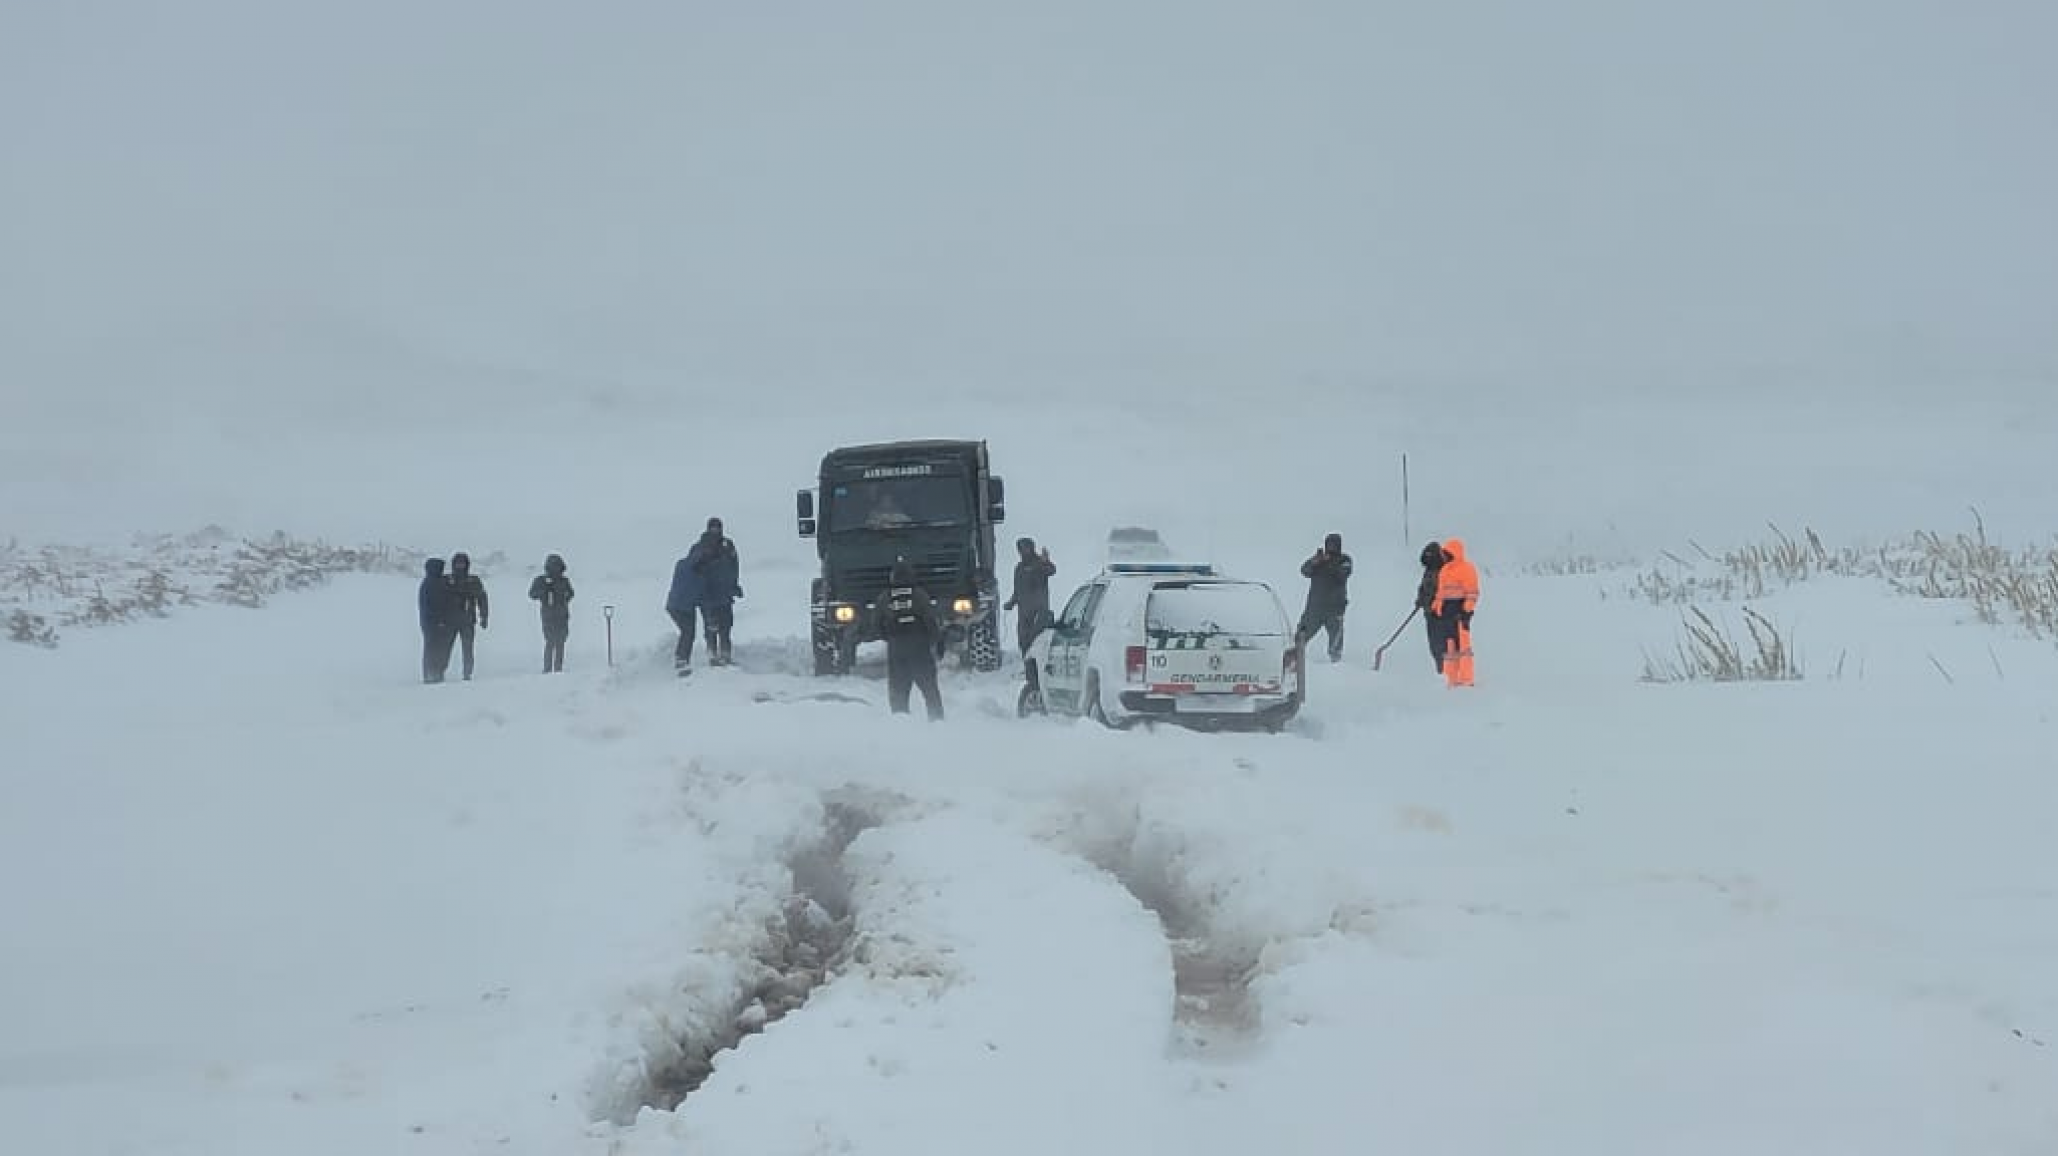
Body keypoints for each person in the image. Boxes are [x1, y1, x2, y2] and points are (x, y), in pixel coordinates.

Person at [873, 558, 944, 720]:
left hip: (897, 651)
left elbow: (876, 624)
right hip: (920, 649)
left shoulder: (885, 597)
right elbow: (931, 621)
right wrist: (935, 641)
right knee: (930, 691)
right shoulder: (919, 595)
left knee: (898, 693)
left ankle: (902, 726)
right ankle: (937, 722)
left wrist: (890, 638)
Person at [690, 517, 743, 667]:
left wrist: (734, 585)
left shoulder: (728, 546)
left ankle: (725, 654)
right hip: (707, 595)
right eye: (713, 528)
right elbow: (692, 569)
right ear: (708, 528)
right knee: (710, 627)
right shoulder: (699, 548)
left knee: (726, 626)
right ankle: (712, 655)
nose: (715, 531)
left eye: (718, 527)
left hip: (724, 594)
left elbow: (734, 567)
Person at [1428, 537, 1481, 687]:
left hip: (1460, 613)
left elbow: (1472, 592)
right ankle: (1451, 678)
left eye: (1448, 553)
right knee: (1449, 649)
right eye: (1444, 553)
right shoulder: (1444, 570)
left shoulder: (1467, 568)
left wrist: (1466, 610)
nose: (1445, 556)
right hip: (1446, 614)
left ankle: (1467, 679)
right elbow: (1441, 593)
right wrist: (1435, 608)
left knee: (1463, 648)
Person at [1297, 533, 1353, 663]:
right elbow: (1304, 571)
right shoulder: (1319, 560)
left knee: (1336, 642)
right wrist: (1315, 561)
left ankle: (1336, 666)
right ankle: (1295, 658)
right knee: (1301, 637)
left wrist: (1328, 563)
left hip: (1335, 609)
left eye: (1334, 545)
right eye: (1329, 544)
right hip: (1315, 607)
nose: (1331, 547)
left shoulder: (1345, 560)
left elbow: (1342, 575)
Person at [1001, 536, 1057, 658]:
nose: (1023, 551)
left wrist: (1046, 561)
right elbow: (1017, 590)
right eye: (1020, 549)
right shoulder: (1019, 568)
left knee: (1038, 638)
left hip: (1039, 610)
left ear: (1031, 548)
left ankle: (1039, 663)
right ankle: (1027, 663)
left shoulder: (1039, 563)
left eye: (1026, 548)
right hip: (1023, 611)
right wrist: (1011, 603)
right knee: (1023, 638)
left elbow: (1052, 571)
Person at [446, 551, 489, 681]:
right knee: (446, 648)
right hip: (449, 621)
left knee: (468, 649)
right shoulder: (447, 580)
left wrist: (484, 616)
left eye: (462, 564)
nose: (460, 566)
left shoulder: (473, 580)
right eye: (458, 564)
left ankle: (467, 673)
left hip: (467, 620)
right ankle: (440, 671)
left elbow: (482, 599)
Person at [528, 553, 574, 673]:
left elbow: (571, 593)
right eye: (553, 566)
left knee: (561, 642)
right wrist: (544, 591)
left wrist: (564, 599)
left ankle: (558, 668)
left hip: (562, 615)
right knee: (550, 641)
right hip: (548, 615)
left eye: (557, 566)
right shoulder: (541, 580)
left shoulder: (564, 581)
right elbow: (532, 594)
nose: (555, 569)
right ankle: (547, 668)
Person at [666, 542, 703, 677]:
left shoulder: (681, 564)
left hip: (674, 604)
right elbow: (695, 589)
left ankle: (682, 659)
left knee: (687, 632)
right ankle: (681, 660)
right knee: (688, 632)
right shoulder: (698, 571)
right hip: (683, 606)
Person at [418, 557, 457, 683]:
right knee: (432, 647)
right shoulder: (429, 583)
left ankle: (437, 671)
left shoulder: (441, 581)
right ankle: (430, 673)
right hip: (431, 622)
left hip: (441, 621)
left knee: (441, 647)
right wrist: (437, 620)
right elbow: (427, 605)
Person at [1414, 540, 1448, 674]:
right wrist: (1420, 599)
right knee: (1434, 645)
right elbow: (1424, 587)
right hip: (1430, 613)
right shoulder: (1429, 570)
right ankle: (1440, 669)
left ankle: (1447, 671)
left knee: (1443, 645)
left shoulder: (1445, 571)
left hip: (1443, 614)